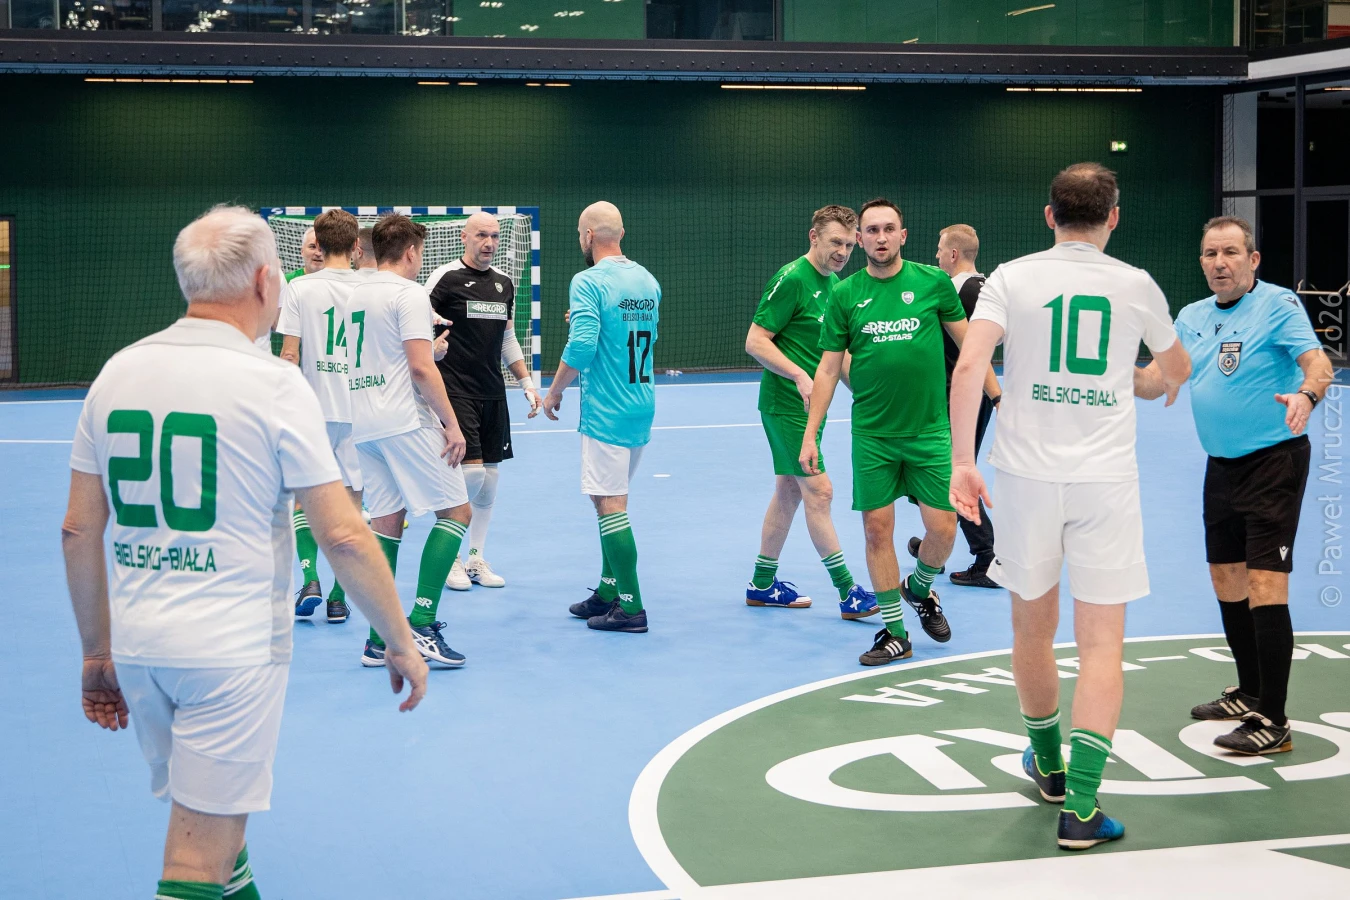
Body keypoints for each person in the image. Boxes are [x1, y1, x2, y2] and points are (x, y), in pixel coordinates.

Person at [61, 205, 427, 900]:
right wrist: (399, 639)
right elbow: (343, 533)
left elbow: (78, 530)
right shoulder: (272, 383)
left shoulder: (117, 373)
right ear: (265, 281)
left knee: (221, 845)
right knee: (196, 863)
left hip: (139, 648)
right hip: (229, 652)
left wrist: (96, 654)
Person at [950, 163, 1191, 850]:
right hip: (1103, 480)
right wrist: (1138, 378)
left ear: (1050, 216)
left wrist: (963, 462)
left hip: (1024, 476)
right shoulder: (1135, 284)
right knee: (1102, 643)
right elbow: (1173, 372)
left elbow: (970, 366)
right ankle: (1081, 808)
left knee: (1032, 629)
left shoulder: (1010, 277)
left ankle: (1050, 765)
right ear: (1113, 217)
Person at [1136, 215, 1333, 755]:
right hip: (1220, 466)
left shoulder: (1277, 305)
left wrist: (1306, 396)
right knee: (1226, 578)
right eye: (1210, 254)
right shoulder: (1192, 316)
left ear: (1253, 259)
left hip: (1274, 462)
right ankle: (1249, 691)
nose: (1219, 263)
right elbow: (1158, 380)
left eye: (1230, 253)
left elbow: (1318, 364)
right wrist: (1107, 371)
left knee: (1266, 583)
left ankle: (1274, 719)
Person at [802, 198, 990, 665]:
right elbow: (828, 370)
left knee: (943, 528)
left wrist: (1001, 397)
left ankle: (920, 588)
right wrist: (811, 433)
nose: (880, 237)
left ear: (903, 235)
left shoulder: (932, 283)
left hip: (930, 432)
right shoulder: (846, 295)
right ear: (860, 238)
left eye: (889, 229)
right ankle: (895, 632)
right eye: (872, 230)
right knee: (876, 530)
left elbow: (971, 348)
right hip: (873, 436)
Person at [348, 214, 473, 668]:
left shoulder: (354, 293)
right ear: (410, 252)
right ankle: (421, 623)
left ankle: (378, 640)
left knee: (386, 523)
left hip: (362, 422)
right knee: (457, 512)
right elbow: (421, 368)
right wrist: (452, 424)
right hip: (405, 419)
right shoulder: (409, 293)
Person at [743, 205, 877, 620]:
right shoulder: (793, 279)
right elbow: (755, 341)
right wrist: (800, 375)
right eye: (836, 242)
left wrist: (870, 395)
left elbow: (838, 356)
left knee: (788, 490)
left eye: (849, 245)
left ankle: (762, 584)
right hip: (786, 405)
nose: (843, 252)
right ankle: (848, 591)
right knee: (819, 491)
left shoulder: (835, 285)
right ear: (813, 237)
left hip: (810, 409)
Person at [542, 201, 661, 634]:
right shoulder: (647, 280)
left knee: (611, 505)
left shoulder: (588, 281)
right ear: (621, 234)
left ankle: (631, 607)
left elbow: (582, 347)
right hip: (640, 404)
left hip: (607, 409)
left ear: (589, 236)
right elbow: (635, 332)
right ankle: (609, 590)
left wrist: (555, 391)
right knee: (605, 500)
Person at [426, 212, 543, 592]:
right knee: (471, 475)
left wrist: (526, 382)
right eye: (481, 235)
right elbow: (416, 327)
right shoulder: (444, 279)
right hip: (453, 390)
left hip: (492, 392)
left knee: (490, 479)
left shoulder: (504, 284)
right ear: (464, 237)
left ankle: (475, 557)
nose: (489, 243)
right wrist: (430, 350)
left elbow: (507, 338)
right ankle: (450, 558)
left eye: (494, 236)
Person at [277, 208, 364, 623]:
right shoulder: (371, 287)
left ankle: (309, 578)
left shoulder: (299, 288)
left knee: (304, 498)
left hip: (313, 410)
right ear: (356, 246)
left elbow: (289, 355)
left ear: (320, 245)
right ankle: (338, 597)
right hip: (362, 411)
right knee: (354, 505)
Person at [908, 224, 1002, 589]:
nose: (935, 255)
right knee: (941, 472)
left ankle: (987, 558)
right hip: (970, 394)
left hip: (960, 396)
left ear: (952, 254)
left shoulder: (958, 290)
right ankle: (937, 544)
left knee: (950, 474)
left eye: (938, 249)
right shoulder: (987, 286)